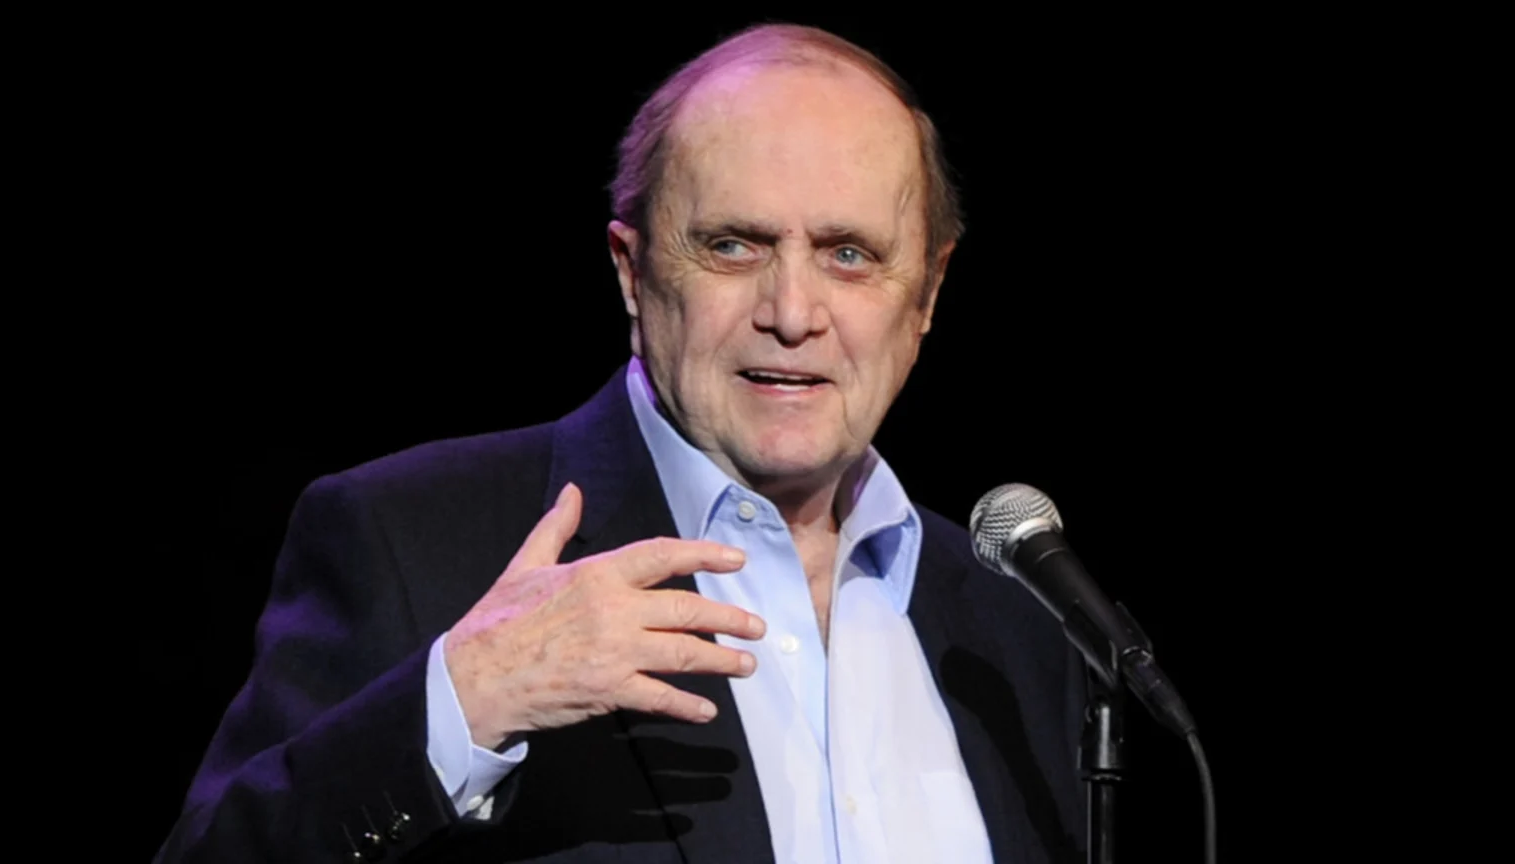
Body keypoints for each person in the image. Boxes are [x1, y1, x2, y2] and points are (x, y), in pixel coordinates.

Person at [158, 23, 1087, 864]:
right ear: (633, 272)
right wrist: (461, 701)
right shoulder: (414, 540)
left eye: (849, 253)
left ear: (925, 294)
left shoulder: (1019, 628)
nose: (793, 314)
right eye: (733, 246)